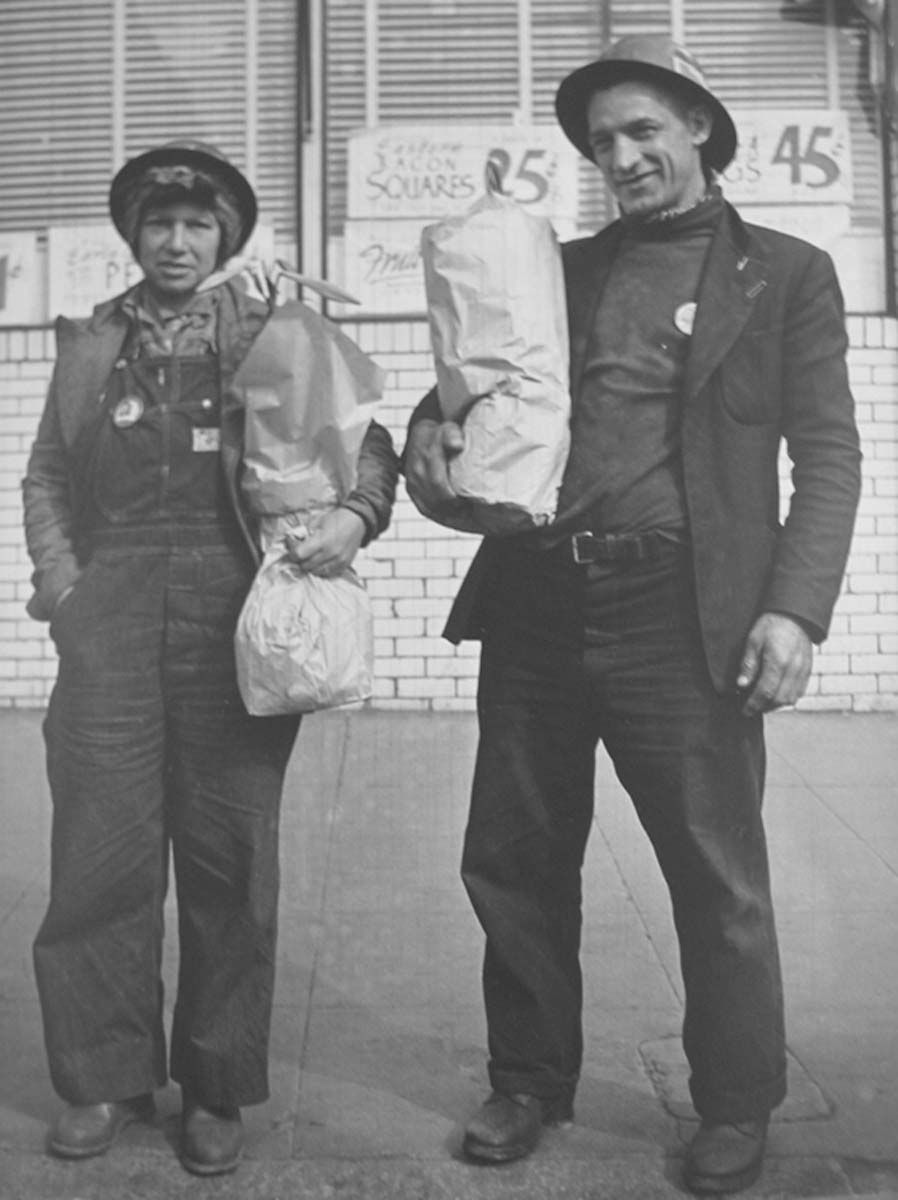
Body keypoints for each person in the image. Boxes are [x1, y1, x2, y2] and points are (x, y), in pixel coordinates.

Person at [403, 35, 861, 1196]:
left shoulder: (788, 273)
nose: (621, 155)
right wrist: (423, 444)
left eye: (643, 130)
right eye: (603, 140)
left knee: (715, 874)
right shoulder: (560, 269)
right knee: (512, 859)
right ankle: (528, 1082)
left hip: (681, 612)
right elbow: (472, 385)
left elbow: (831, 457)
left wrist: (793, 611)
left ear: (698, 129)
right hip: (540, 601)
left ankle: (735, 1102)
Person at [22, 139, 398, 1176]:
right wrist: (64, 586)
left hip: (233, 616)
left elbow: (363, 441)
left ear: (224, 238)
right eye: (159, 225)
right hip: (108, 619)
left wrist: (357, 518)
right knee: (100, 860)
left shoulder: (268, 324)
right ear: (133, 238)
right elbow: (48, 476)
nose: (177, 241)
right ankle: (104, 1076)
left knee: (230, 862)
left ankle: (218, 1084)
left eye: (197, 225)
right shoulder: (91, 342)